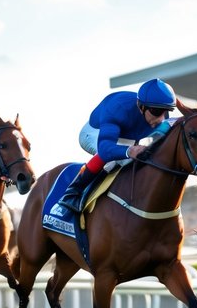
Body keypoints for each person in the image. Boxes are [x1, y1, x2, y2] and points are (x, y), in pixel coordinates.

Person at [59, 77, 177, 214]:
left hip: (127, 137)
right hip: (94, 133)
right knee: (115, 159)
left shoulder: (161, 117)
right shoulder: (118, 109)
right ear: (141, 106)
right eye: (156, 111)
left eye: (166, 111)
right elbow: (105, 149)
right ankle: (73, 192)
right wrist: (129, 151)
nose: (161, 119)